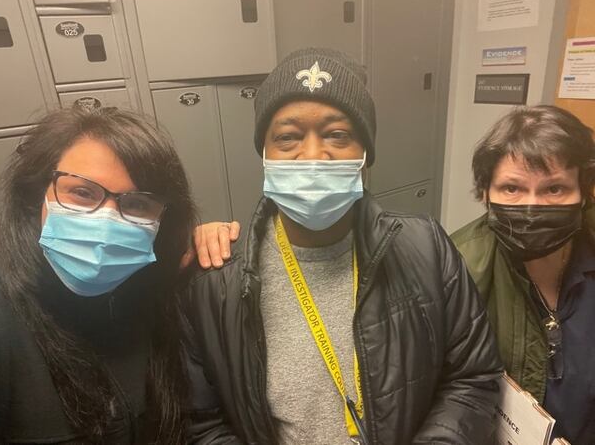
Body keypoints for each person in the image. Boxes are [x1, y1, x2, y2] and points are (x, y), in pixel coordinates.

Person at [179, 48, 502, 444]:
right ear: (264, 155)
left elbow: (472, 377)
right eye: (287, 137)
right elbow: (202, 421)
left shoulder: (427, 249)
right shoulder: (216, 282)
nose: (312, 155)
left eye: (337, 135)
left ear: (365, 157)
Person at [0, 107, 195, 444]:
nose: (106, 221)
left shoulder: (157, 301)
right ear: (36, 195)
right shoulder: (4, 319)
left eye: (136, 205)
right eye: (83, 192)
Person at [451, 105, 595, 444]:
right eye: (512, 188)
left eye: (554, 189)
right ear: (486, 193)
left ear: (583, 193)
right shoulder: (457, 268)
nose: (533, 208)